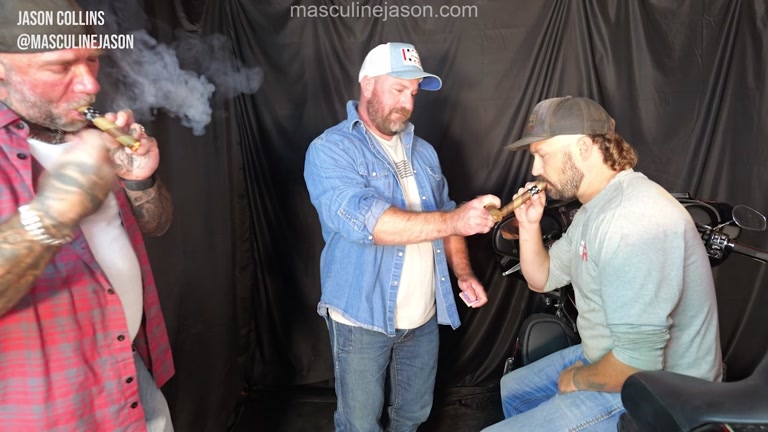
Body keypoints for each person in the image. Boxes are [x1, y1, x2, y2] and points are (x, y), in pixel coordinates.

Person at [482, 96, 722, 432]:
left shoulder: (631, 219)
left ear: (583, 148)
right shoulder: (595, 208)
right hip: (612, 356)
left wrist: (577, 378)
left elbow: (636, 365)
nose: (534, 169)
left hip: (661, 388)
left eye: (542, 155)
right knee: (514, 389)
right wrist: (529, 224)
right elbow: (542, 277)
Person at [303, 42, 501, 431]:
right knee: (360, 424)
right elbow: (372, 225)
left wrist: (463, 273)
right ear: (367, 85)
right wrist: (456, 220)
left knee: (411, 417)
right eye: (398, 89)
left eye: (413, 93)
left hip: (423, 317)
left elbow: (446, 216)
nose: (407, 102)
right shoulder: (331, 150)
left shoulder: (424, 153)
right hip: (362, 317)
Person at [0, 1, 175, 430]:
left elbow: (157, 224)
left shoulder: (87, 132)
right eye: (61, 67)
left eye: (92, 59)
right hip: (50, 410)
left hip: (131, 378)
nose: (89, 84)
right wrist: (57, 209)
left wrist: (141, 182)